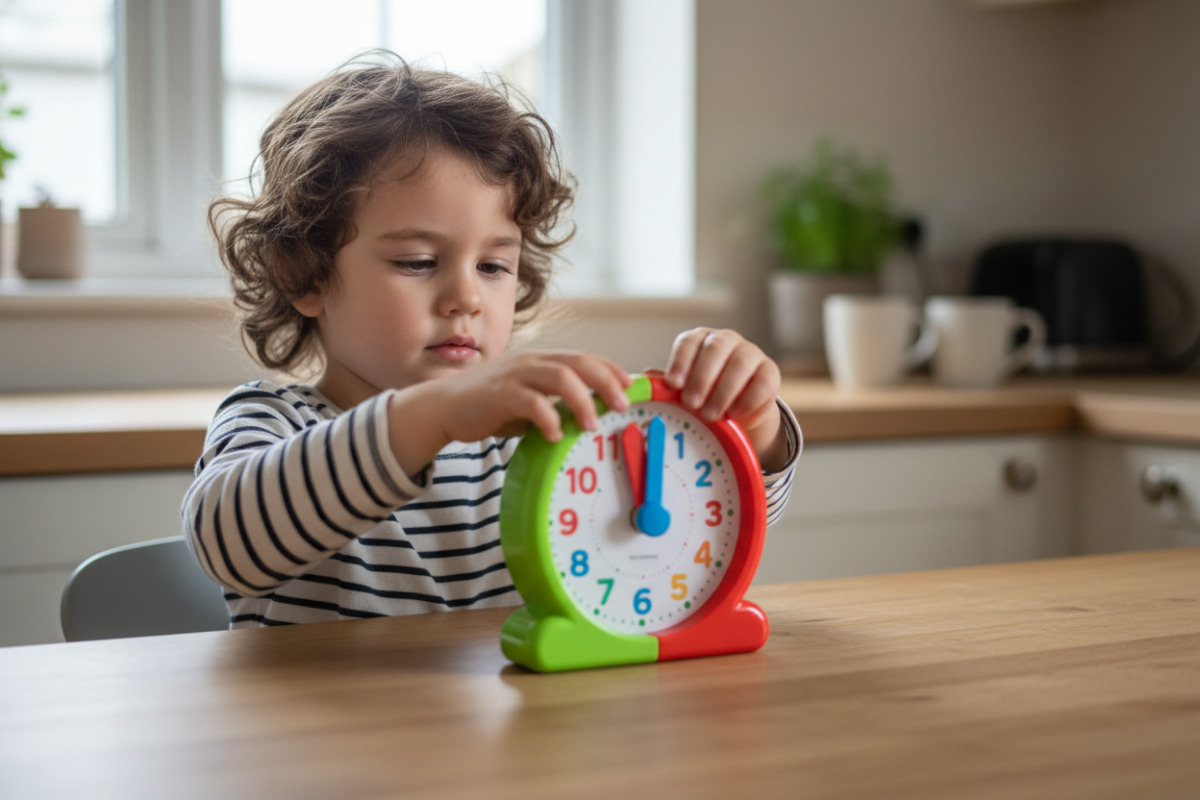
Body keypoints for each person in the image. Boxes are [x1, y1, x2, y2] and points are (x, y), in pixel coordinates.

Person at [183, 54, 801, 628]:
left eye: (492, 267)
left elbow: (689, 533)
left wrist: (751, 429)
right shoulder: (271, 421)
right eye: (418, 261)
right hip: (324, 745)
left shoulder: (540, 439)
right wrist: (438, 414)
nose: (466, 298)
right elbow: (228, 543)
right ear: (304, 274)